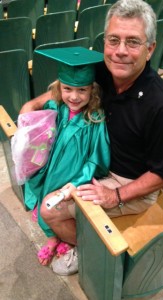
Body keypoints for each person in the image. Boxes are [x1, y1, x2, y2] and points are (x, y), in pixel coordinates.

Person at [20, 0, 163, 275]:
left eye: (133, 42)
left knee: (50, 208)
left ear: (150, 49)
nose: (120, 51)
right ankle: (66, 235)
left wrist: (115, 195)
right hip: (93, 162)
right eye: (113, 40)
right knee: (45, 177)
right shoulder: (103, 71)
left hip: (127, 181)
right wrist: (32, 106)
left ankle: (87, 252)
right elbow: (66, 89)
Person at [22, 47, 110, 269]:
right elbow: (38, 124)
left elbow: (96, 159)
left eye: (82, 90)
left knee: (62, 205)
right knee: (46, 192)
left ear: (92, 90)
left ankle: (67, 238)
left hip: (75, 176)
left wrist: (78, 181)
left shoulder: (95, 118)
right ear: (59, 88)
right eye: (67, 88)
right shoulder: (56, 106)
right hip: (52, 166)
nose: (74, 96)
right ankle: (53, 237)